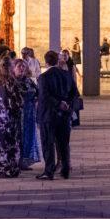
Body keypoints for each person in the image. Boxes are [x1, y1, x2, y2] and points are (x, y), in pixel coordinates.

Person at [36, 50, 76, 180]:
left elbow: (44, 96)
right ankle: (65, 170)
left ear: (46, 62)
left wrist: (58, 103)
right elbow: (75, 93)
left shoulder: (43, 77)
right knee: (63, 143)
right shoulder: (67, 75)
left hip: (48, 115)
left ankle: (49, 171)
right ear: (57, 61)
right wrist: (67, 104)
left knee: (48, 143)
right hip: (64, 115)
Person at [0, 55, 23, 178]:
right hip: (8, 120)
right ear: (9, 67)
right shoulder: (11, 82)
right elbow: (18, 102)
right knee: (9, 144)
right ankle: (9, 169)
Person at [15, 59, 42, 170]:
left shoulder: (29, 81)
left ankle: (24, 161)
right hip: (18, 115)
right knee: (18, 137)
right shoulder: (13, 82)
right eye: (19, 66)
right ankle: (16, 161)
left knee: (27, 138)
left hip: (29, 115)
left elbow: (38, 93)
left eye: (24, 66)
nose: (22, 68)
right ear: (14, 68)